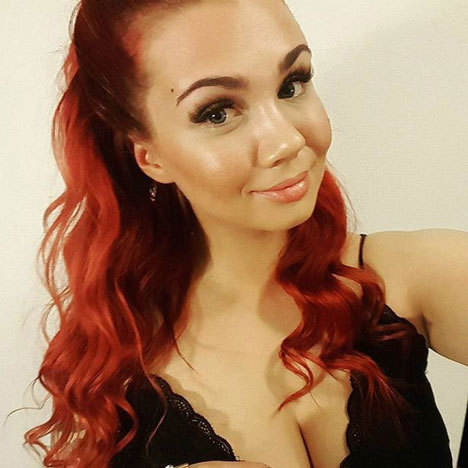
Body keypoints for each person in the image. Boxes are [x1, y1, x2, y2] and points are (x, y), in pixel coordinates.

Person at [23, 0, 468, 467]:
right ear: (150, 156)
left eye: (292, 84)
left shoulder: (422, 276)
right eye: (217, 113)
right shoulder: (112, 377)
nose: (287, 141)